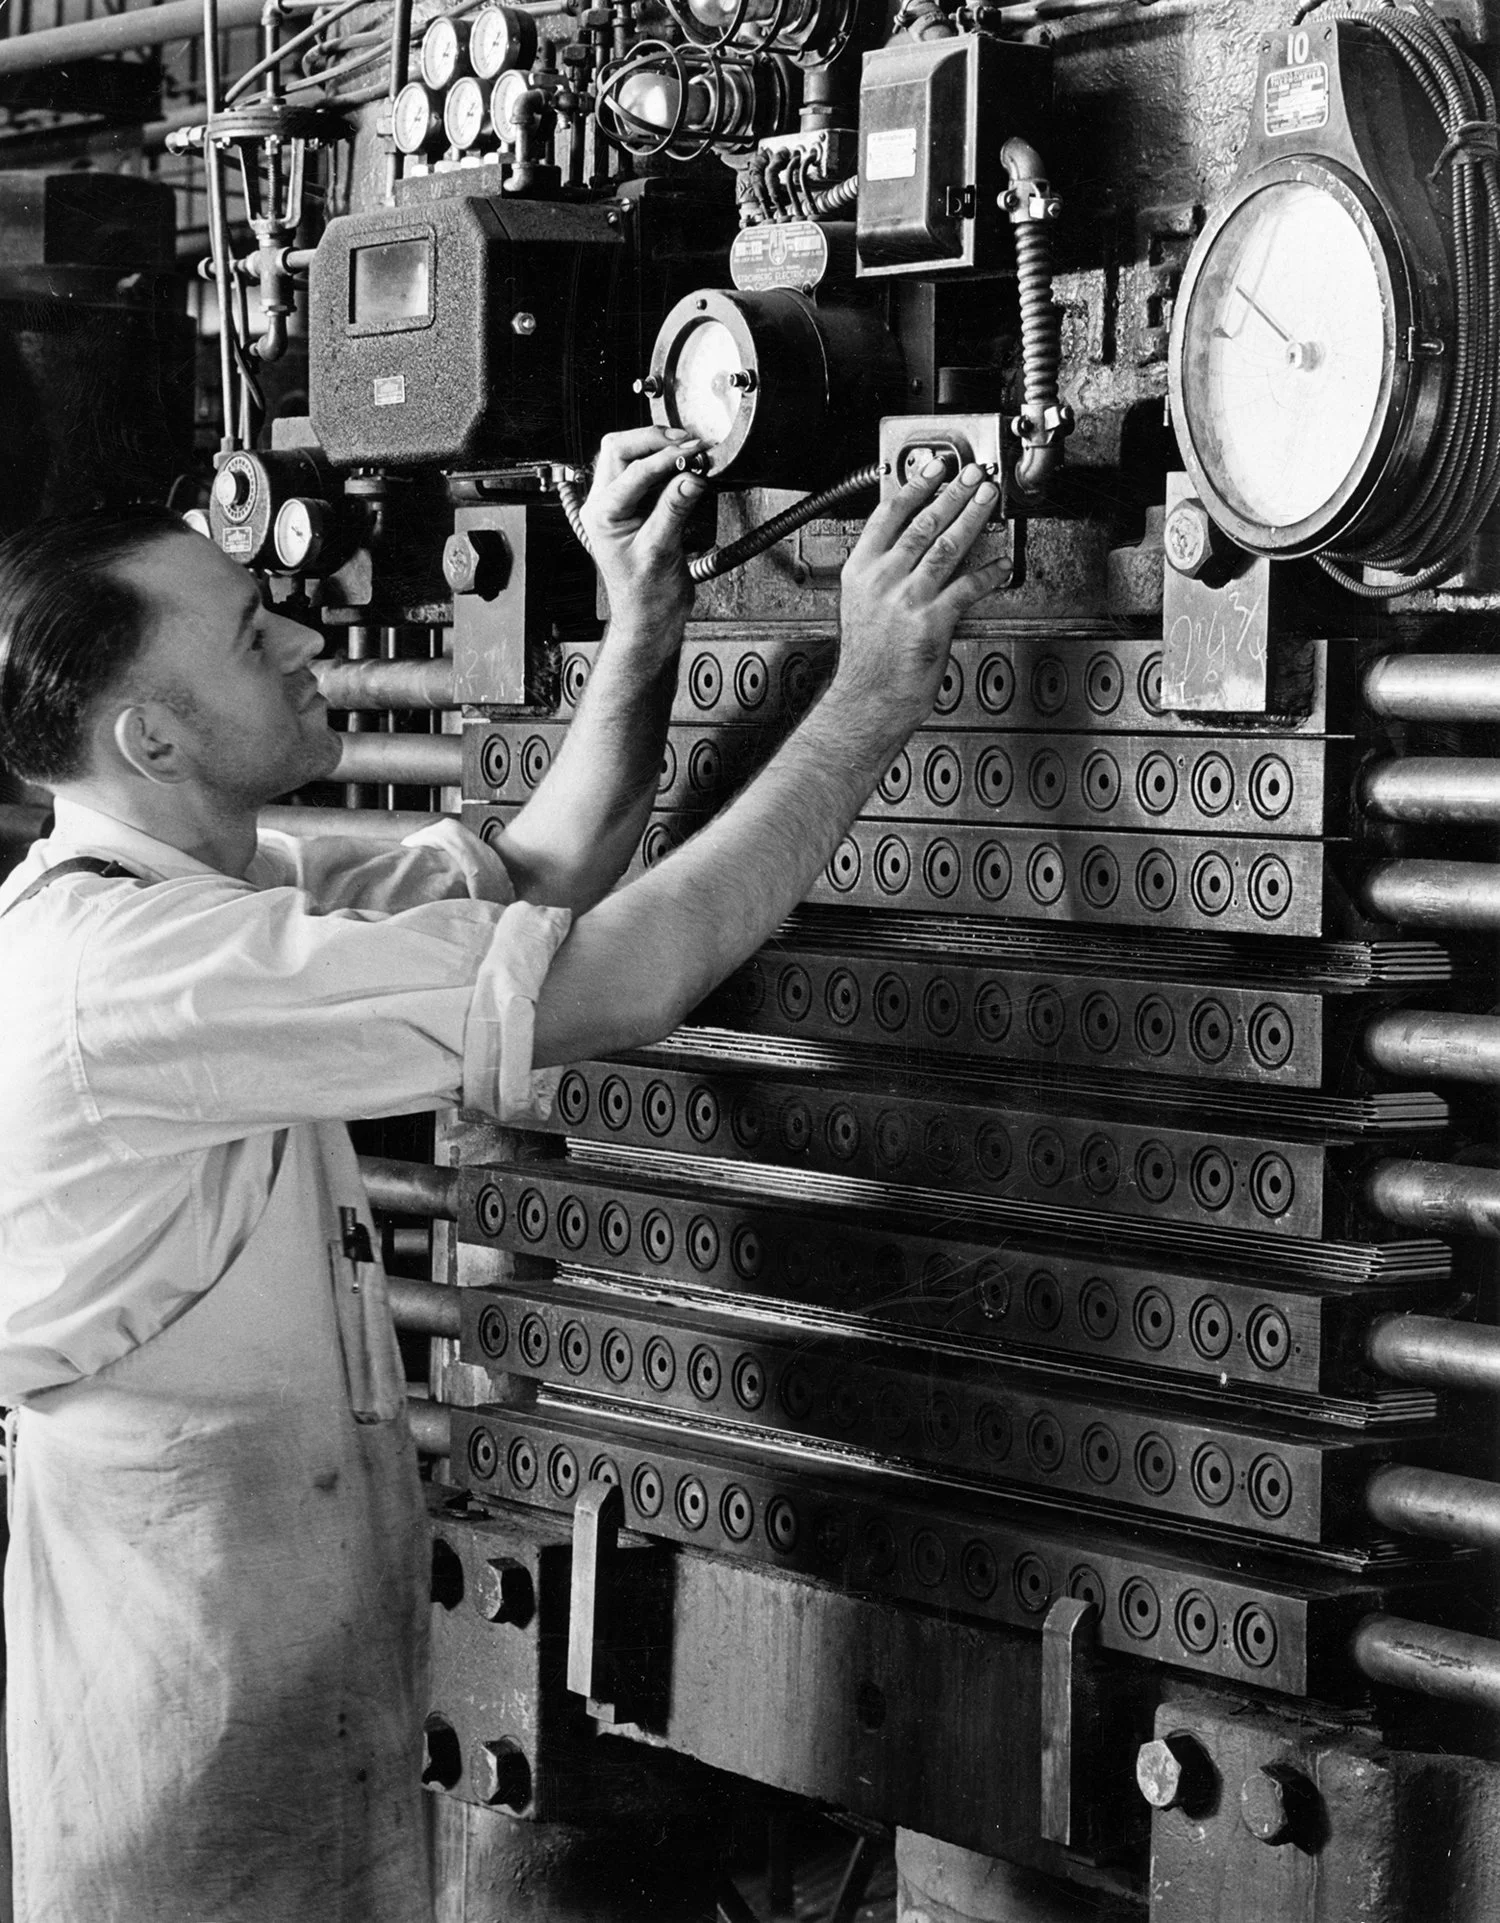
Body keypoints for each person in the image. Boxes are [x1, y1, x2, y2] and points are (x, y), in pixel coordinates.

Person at [0, 426, 1005, 1922]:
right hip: (189, 1746)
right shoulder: (129, 975)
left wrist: (642, 606)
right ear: (152, 737)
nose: (298, 628)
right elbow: (627, 973)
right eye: (244, 628)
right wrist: (870, 692)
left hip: (294, 1700)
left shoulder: (212, 895)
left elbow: (541, 869)